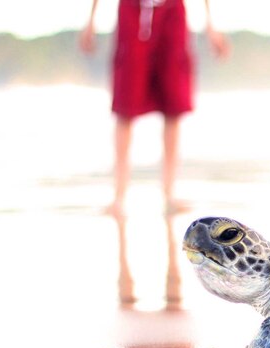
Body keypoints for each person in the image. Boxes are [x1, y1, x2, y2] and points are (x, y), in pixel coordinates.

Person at [80, 0, 230, 215]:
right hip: (132, 10)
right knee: (125, 106)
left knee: (174, 105)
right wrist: (91, 21)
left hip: (172, 11)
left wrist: (210, 25)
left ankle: (169, 194)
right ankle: (118, 197)